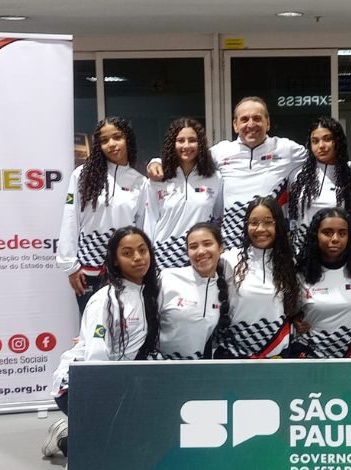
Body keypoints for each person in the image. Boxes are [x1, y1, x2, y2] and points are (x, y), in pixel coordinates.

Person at [148, 97, 351, 248]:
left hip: (271, 243)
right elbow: (187, 156)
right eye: (244, 119)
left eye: (257, 118)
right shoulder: (220, 152)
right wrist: (155, 162)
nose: (250, 124)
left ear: (268, 122)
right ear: (235, 125)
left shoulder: (287, 150)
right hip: (231, 246)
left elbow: (323, 158)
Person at [44, 226, 160, 458]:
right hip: (80, 387)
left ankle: (75, 434)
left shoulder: (150, 292)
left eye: (142, 250)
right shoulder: (104, 300)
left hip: (119, 382)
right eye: (127, 253)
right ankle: (70, 437)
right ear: (115, 261)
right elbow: (95, 360)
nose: (138, 258)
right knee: (109, 452)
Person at [57, 117, 146, 314]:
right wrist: (70, 266)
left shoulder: (140, 182)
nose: (112, 144)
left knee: (125, 327)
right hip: (88, 270)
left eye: (117, 137)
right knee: (92, 331)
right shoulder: (82, 175)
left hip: (125, 269)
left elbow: (141, 228)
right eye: (105, 140)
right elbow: (70, 218)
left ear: (127, 140)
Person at [215, 197, 299, 358]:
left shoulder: (291, 264)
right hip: (234, 355)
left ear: (278, 225)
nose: (260, 229)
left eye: (268, 222)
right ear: (246, 226)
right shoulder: (228, 261)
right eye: (254, 222)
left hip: (277, 354)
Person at [144, 118, 223, 269]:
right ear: (172, 144)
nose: (186, 145)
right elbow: (150, 221)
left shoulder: (214, 178)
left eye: (192, 140)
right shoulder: (158, 178)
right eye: (180, 140)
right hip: (163, 258)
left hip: (200, 256)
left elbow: (218, 218)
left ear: (200, 144)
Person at [292, 207, 351, 358]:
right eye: (327, 232)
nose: (335, 239)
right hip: (308, 357)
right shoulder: (300, 273)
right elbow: (288, 313)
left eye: (342, 233)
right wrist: (294, 321)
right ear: (316, 235)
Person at [288, 117, 351, 253]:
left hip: (339, 253)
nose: (321, 146)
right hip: (303, 254)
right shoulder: (298, 175)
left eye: (327, 139)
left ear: (338, 141)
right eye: (315, 141)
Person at [157, 223, 230, 359]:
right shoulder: (167, 278)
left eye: (207, 244)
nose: (201, 251)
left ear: (221, 248)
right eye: (193, 247)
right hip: (159, 369)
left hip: (197, 370)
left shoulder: (223, 289)